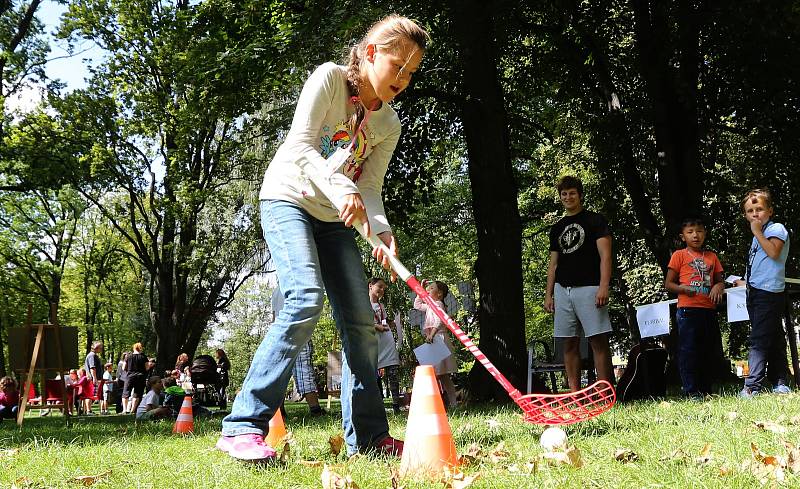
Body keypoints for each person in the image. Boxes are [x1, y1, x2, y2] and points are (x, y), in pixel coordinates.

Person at [218, 15, 428, 462]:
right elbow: (300, 146)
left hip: (335, 218)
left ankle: (369, 438)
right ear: (371, 53)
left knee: (361, 324)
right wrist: (343, 189)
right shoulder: (329, 81)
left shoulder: (387, 124)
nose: (404, 80)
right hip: (287, 200)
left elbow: (370, 187)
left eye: (412, 73)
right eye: (399, 66)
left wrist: (382, 230)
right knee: (305, 297)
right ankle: (242, 425)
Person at [544, 175, 614, 391]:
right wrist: (549, 294)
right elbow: (553, 264)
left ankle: (605, 392)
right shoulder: (557, 228)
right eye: (564, 194)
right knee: (569, 342)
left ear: (580, 195)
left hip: (590, 287)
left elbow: (606, 256)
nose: (568, 197)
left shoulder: (595, 220)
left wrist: (604, 286)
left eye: (572, 193)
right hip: (563, 289)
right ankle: (575, 395)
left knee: (597, 341)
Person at [736, 189, 792, 398]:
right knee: (774, 336)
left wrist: (757, 232)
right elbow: (759, 263)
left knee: (758, 339)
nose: (755, 214)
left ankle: (752, 387)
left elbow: (774, 252)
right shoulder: (757, 235)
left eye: (759, 209)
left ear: (770, 211)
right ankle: (780, 382)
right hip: (756, 290)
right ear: (745, 215)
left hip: (770, 291)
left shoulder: (776, 228)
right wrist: (744, 281)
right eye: (750, 211)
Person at [664, 217, 725, 399]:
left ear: (705, 233)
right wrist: (683, 289)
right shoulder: (679, 255)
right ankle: (691, 390)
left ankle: (706, 390)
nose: (695, 235)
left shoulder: (712, 257)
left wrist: (717, 286)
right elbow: (668, 284)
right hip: (688, 310)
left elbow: (720, 282)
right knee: (689, 350)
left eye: (699, 231)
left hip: (708, 309)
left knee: (707, 350)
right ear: (683, 237)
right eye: (690, 232)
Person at [271, 286, 325, 416]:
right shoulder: (296, 285)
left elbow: (273, 318)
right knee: (304, 370)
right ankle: (315, 409)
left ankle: (279, 411)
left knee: (280, 373)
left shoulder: (276, 292)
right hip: (298, 332)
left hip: (280, 333)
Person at [414, 280, 458, 407]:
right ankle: (449, 403)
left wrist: (432, 334)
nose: (428, 288)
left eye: (431, 287)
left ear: (439, 294)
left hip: (438, 339)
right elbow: (417, 305)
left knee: (437, 373)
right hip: (433, 340)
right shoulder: (430, 305)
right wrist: (420, 290)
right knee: (440, 374)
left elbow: (439, 321)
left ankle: (440, 403)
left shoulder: (438, 304)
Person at [370, 277, 402, 413]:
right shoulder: (363, 305)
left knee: (393, 373)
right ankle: (378, 406)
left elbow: (383, 320)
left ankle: (396, 405)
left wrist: (391, 323)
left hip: (387, 342)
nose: (382, 290)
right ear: (370, 286)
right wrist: (377, 326)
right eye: (380, 287)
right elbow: (362, 323)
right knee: (373, 375)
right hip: (373, 343)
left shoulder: (381, 306)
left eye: (384, 288)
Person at [123, 343, 148, 414]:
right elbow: (147, 367)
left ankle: (125, 410)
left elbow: (123, 367)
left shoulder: (128, 356)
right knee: (137, 393)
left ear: (133, 348)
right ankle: (133, 410)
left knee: (126, 392)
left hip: (129, 376)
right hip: (140, 376)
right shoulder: (143, 357)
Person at [83, 341, 104, 412]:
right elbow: (92, 367)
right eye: (101, 348)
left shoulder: (92, 355)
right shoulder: (92, 355)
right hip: (93, 379)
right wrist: (94, 378)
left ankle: (88, 410)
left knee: (91, 395)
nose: (101, 349)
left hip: (92, 378)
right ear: (97, 348)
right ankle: (88, 411)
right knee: (90, 395)